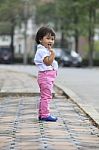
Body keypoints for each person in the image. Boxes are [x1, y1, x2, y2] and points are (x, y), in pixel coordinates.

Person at [34, 26, 58, 122]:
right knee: (46, 96)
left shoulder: (45, 50)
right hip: (45, 76)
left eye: (52, 39)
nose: (51, 41)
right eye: (48, 38)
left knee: (45, 96)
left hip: (47, 77)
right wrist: (53, 55)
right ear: (40, 39)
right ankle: (45, 115)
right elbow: (47, 62)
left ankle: (42, 114)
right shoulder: (41, 51)